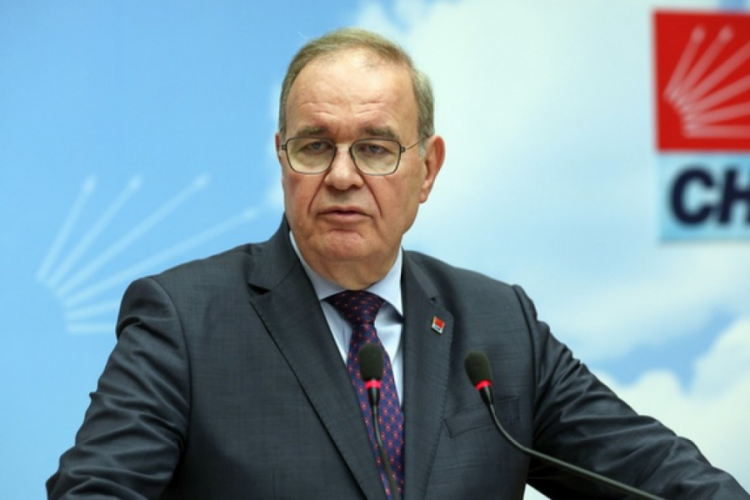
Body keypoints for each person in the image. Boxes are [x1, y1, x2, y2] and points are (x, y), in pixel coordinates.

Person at [47, 27, 749, 500]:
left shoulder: (499, 325)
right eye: (315, 146)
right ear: (282, 159)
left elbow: (659, 476)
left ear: (427, 169)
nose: (342, 175)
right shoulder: (185, 321)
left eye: (375, 148)